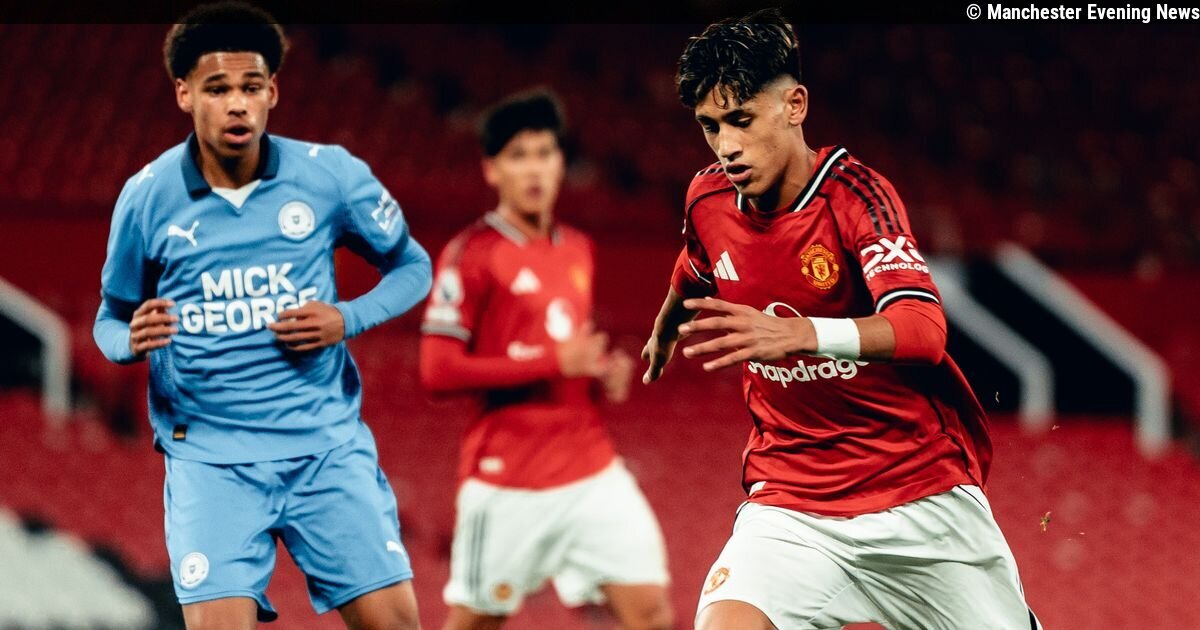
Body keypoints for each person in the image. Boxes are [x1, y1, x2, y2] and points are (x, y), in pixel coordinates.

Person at [640, 11, 1041, 630]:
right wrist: (664, 329)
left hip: (917, 497)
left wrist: (803, 333)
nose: (726, 146)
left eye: (741, 120)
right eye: (710, 126)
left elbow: (924, 330)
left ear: (794, 105)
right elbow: (695, 265)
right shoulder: (708, 198)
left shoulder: (857, 197)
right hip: (791, 505)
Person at [92, 4, 431, 628]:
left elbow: (412, 266)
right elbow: (109, 319)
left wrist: (347, 318)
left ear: (272, 91)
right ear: (184, 93)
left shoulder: (330, 176)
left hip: (324, 447)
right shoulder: (147, 197)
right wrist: (128, 341)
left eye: (251, 88)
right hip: (210, 461)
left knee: (398, 624)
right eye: (217, 89)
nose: (237, 105)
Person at [419, 90, 673, 630]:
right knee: (476, 622)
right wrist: (554, 362)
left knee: (652, 612)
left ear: (561, 162)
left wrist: (600, 378)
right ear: (492, 169)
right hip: (510, 479)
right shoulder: (472, 254)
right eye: (518, 156)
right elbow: (436, 371)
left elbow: (565, 355)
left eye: (545, 153)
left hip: (590, 468)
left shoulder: (578, 247)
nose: (534, 169)